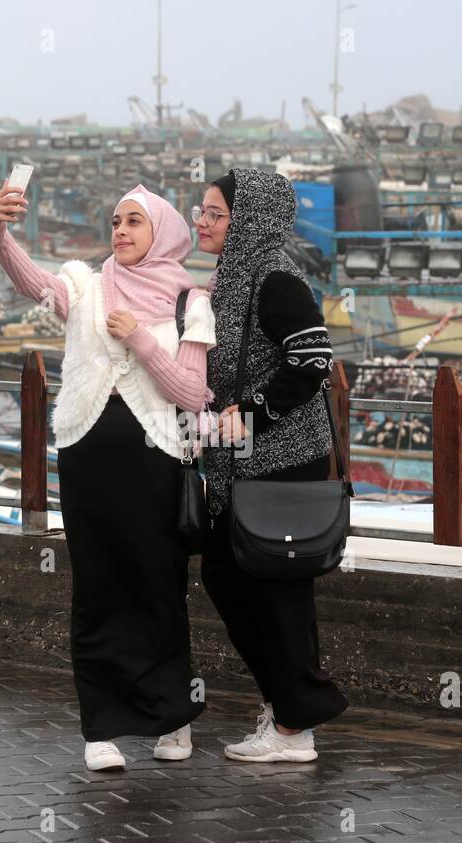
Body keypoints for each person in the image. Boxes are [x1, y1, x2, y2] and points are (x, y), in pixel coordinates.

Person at [0, 181, 215, 772]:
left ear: (161, 231)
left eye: (135, 221)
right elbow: (32, 283)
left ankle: (172, 719)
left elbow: (192, 393)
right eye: (115, 221)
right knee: (97, 587)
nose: (121, 231)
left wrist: (138, 337)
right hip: (88, 457)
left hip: (156, 459)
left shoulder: (192, 300)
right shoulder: (84, 288)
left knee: (159, 585)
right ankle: (101, 727)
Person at [194, 168, 349, 763]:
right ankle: (288, 708)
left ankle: (294, 728)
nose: (202, 223)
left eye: (215, 214)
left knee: (277, 596)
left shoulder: (276, 278)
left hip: (281, 464)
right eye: (201, 211)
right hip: (241, 466)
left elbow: (311, 359)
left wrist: (252, 414)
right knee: (228, 577)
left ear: (250, 220)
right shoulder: (234, 275)